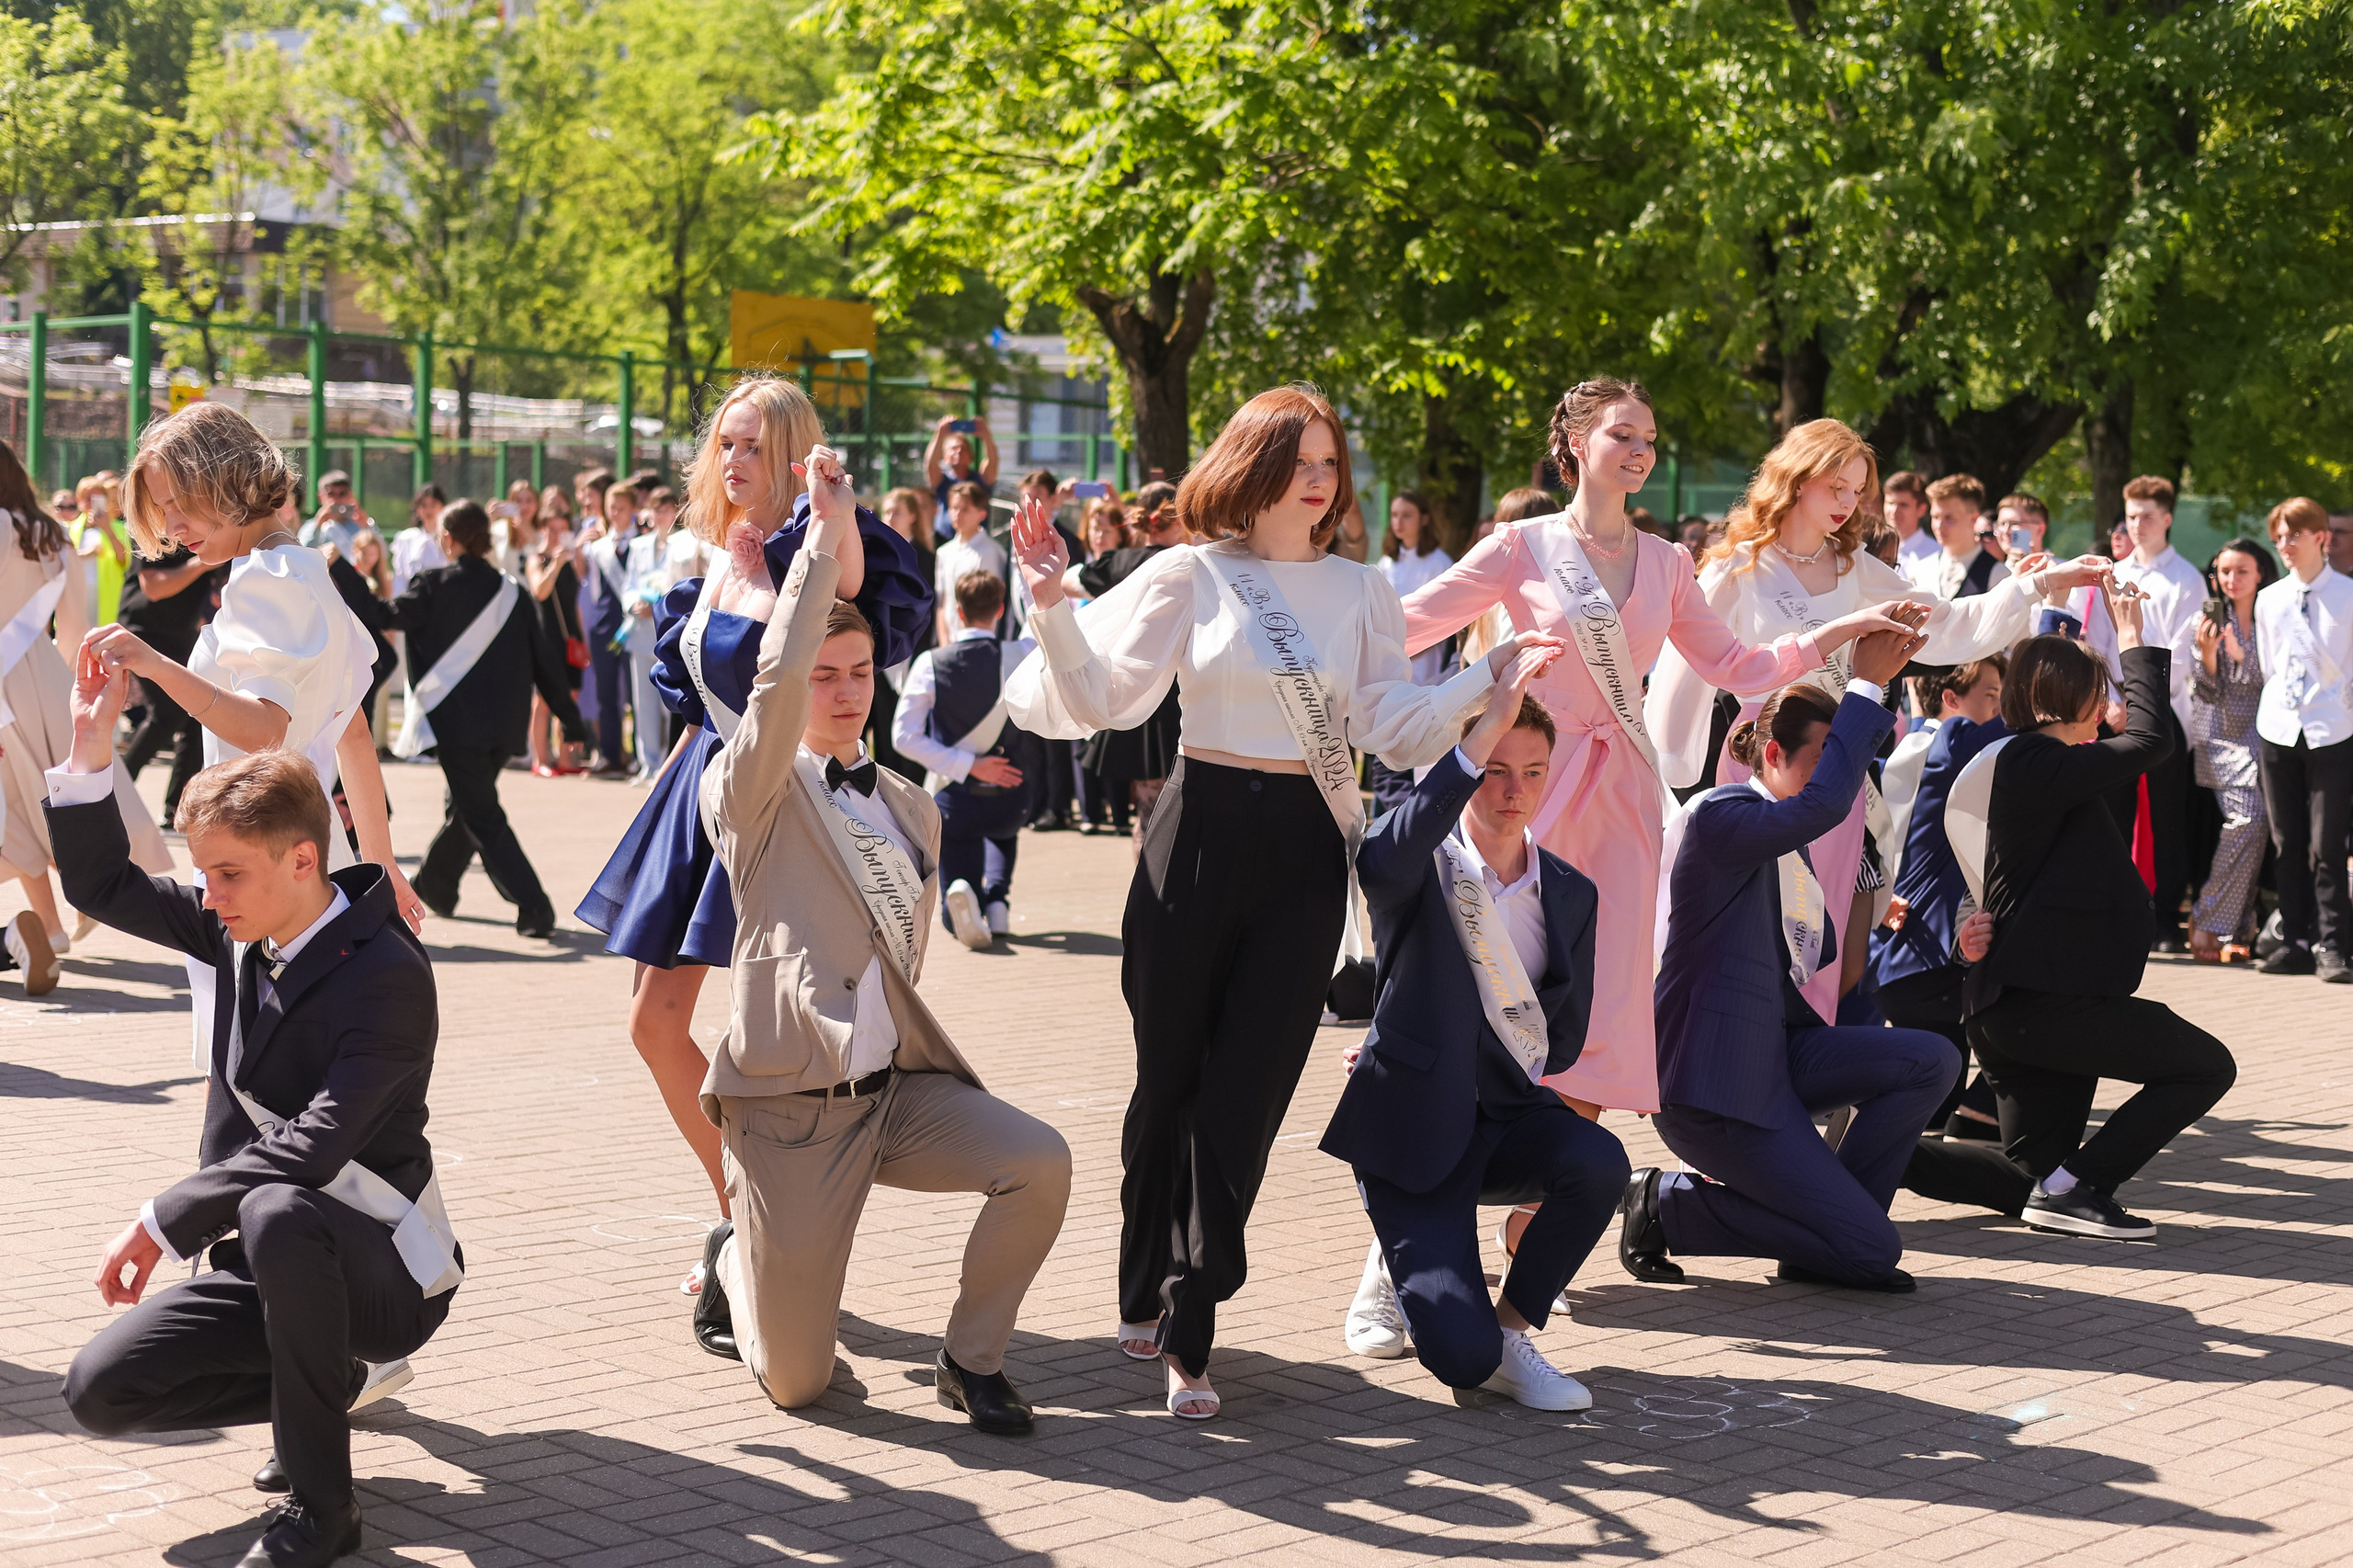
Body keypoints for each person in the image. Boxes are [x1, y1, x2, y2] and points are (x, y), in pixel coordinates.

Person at [1006, 382, 1557, 1419]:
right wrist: (1049, 604)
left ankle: (1192, 1317)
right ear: (1251, 466)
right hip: (1194, 835)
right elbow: (1103, 699)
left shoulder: (1363, 590)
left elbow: (1389, 725)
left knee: (1247, 1095)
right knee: (1167, 1086)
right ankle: (1142, 1275)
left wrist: (1482, 677)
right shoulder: (1191, 572)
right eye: (1299, 460)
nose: (1319, 478)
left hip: (1305, 848)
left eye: (1328, 460)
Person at [1397, 384, 1913, 1128]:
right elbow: (1406, 625)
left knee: (1607, 981)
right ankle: (1472, 1133)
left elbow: (1738, 666)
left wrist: (1845, 627)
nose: (1641, 451)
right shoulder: (1522, 547)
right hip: (1531, 782)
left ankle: (1559, 1160)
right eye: (1623, 436)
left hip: (1623, 792)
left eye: (1650, 439)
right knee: (1506, 954)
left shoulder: (1669, 562)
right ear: (1577, 443)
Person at [690, 447, 1069, 1432]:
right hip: (789, 1115)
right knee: (800, 1383)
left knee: (1040, 1161)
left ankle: (970, 1361)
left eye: (859, 673)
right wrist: (822, 548)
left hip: (894, 1096)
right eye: (823, 675)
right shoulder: (749, 789)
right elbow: (774, 687)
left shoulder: (912, 807)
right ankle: (735, 1261)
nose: (844, 690)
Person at [54, 726, 455, 1568]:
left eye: (228, 874)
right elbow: (99, 884)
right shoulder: (240, 929)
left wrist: (164, 1220)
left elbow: (316, 1146)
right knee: (99, 1392)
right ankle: (326, 1384)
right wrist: (88, 756)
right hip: (272, 1268)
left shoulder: (388, 973)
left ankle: (324, 1512)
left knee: (276, 1207)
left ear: (303, 860)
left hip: (384, 1274)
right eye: (203, 873)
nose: (209, 897)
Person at [574, 375, 929, 1278]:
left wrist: (832, 514)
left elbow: (853, 590)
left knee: (779, 1045)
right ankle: (745, 1214)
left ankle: (770, 1235)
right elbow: (697, 700)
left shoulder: (822, 540)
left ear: (793, 456)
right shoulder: (718, 549)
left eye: (754, 446)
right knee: (654, 1024)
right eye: (725, 443)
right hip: (700, 796)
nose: (733, 461)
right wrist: (658, 804)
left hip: (786, 807)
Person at [1644, 418, 2103, 1037]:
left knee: (1824, 934)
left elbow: (1947, 625)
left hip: (1839, 762)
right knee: (1754, 926)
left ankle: (1805, 1062)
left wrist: (2038, 584)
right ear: (1796, 478)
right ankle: (1738, 1053)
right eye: (1836, 485)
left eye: (1857, 490)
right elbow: (1684, 675)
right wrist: (1671, 776)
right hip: (1761, 764)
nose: (1848, 502)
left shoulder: (1855, 567)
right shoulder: (1737, 567)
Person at [1325, 653, 1632, 1410]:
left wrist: (1468, 1048)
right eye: (1495, 769)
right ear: (1466, 769)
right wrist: (1480, 729)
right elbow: (1377, 862)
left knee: (1599, 1162)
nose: (1514, 790)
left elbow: (1560, 1039)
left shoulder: (1570, 892)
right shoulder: (1421, 867)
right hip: (1411, 1131)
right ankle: (1399, 1259)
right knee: (1460, 1363)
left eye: (1532, 772)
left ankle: (1513, 1331)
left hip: (1502, 1122)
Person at [84, 405, 426, 1077]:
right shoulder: (302, 569)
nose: (172, 528)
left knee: (257, 1069)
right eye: (162, 510)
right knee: (297, 1061)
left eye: (177, 504)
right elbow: (353, 731)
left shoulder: (266, 577)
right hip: (301, 853)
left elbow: (266, 728)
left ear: (226, 480)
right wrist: (379, 863)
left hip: (259, 853)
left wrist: (155, 664)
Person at [1631, 621, 1962, 1294]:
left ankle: (1833, 1239)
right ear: (1773, 754)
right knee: (1873, 1250)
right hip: (1719, 1092)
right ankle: (1668, 1205)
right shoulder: (1722, 817)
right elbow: (1823, 805)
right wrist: (1865, 683)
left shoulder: (1782, 836)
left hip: (1776, 1060)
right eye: (1822, 757)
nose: (1834, 777)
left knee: (1932, 1060)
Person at [1904, 617, 2239, 1236]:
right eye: (2098, 691)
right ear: (2064, 695)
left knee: (2031, 1180)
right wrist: (2135, 640)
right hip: (2044, 1003)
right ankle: (2080, 1188)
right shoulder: (2034, 760)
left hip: (2020, 1004)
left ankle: (1873, 1151)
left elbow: (1988, 864)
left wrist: (1966, 925)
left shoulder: (2034, 764)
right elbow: (2151, 741)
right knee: (2205, 1066)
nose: (2107, 706)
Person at [0, 443, 170, 991]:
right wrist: (65, 678)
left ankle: (52, 922)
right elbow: (73, 624)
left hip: (3, 680)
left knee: (14, 802)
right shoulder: (51, 533)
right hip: (45, 673)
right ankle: (69, 907)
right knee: (54, 791)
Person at [388, 498, 586, 937]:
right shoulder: (512, 590)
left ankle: (535, 907)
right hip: (505, 726)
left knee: (481, 815)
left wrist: (341, 576)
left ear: (448, 539)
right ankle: (437, 886)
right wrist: (571, 720)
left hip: (457, 726)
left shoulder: (433, 585)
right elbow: (545, 662)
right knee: (466, 806)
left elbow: (387, 615)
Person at [1870, 658, 2008, 1143]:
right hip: (1930, 961)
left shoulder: (1913, 745)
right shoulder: (1955, 739)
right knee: (2037, 1031)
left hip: (1902, 955)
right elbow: (2030, 733)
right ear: (1951, 699)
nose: (2000, 707)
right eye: (1991, 695)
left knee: (1930, 1114)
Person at [892, 569, 1040, 949]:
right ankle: (998, 901)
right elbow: (1038, 619)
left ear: (958, 612)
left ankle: (961, 895)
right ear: (1000, 610)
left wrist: (968, 765)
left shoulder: (930, 662)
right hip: (1011, 795)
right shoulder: (1021, 653)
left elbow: (903, 737)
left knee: (958, 860)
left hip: (955, 801)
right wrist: (1029, 578)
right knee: (1004, 833)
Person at [2103, 476, 2208, 951]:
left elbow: (2183, 657)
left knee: (2167, 822)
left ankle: (2165, 920)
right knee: (2112, 820)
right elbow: (2098, 646)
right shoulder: (2112, 574)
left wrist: (2142, 703)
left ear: (2167, 518)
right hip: (2114, 712)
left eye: (2147, 516)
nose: (2137, 525)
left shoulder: (2186, 578)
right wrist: (2111, 703)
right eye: (2131, 516)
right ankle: (2115, 915)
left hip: (2165, 714)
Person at [2253, 498, 2353, 981]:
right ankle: (2293, 941)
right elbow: (2269, 664)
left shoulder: (2348, 594)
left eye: (2294, 534)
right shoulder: (2270, 598)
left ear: (2321, 537)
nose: (2285, 545)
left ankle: (2332, 946)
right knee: (2286, 841)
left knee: (2328, 843)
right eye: (2279, 536)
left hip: (2333, 729)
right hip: (2278, 727)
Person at [2188, 537, 2275, 963]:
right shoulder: (2203, 621)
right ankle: (2207, 921)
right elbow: (2205, 691)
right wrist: (2209, 656)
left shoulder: (2271, 616)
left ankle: (2238, 927)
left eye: (2242, 571)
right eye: (2224, 571)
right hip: (2222, 737)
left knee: (2263, 829)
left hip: (2270, 734)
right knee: (2249, 821)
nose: (2232, 579)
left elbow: (2276, 679)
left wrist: (2242, 655)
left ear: (2260, 574)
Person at [1370, 491, 1458, 812]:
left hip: (1425, 671)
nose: (1398, 522)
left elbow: (1447, 618)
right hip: (1389, 672)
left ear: (1424, 519)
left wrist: (1412, 644)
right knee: (1387, 754)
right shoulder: (1385, 564)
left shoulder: (1440, 563)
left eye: (1406, 515)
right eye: (1394, 515)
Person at [581, 476, 641, 778]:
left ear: (632, 509)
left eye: (621, 507)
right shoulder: (598, 548)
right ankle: (609, 754)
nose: (615, 513)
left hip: (634, 625)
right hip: (604, 625)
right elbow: (591, 584)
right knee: (606, 692)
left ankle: (639, 757)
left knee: (635, 693)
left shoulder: (643, 543)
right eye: (611, 507)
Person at [524, 496, 586, 775]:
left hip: (570, 637)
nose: (556, 535)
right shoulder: (536, 559)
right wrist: (556, 564)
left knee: (570, 695)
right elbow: (540, 591)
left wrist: (582, 639)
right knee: (544, 700)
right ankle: (541, 760)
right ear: (542, 530)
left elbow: (576, 603)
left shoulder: (572, 562)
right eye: (551, 529)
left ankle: (565, 758)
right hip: (545, 637)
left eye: (562, 530)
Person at [322, 528, 397, 745]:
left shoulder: (378, 580)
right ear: (355, 551)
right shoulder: (345, 577)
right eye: (365, 553)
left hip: (369, 653)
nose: (369, 559)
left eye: (373, 554)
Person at [1904, 474, 2009, 600]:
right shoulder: (1921, 570)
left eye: (1949, 518)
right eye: (1935, 517)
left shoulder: (1998, 575)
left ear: (1973, 518)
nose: (1939, 526)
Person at [933, 481, 1008, 644]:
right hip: (950, 644)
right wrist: (945, 643)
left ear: (982, 514)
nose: (957, 514)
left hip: (978, 644)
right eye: (954, 508)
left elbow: (990, 606)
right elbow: (942, 602)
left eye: (965, 509)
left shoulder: (990, 552)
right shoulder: (944, 552)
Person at [924, 415, 998, 537]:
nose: (958, 451)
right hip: (944, 539)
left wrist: (986, 436)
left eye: (963, 448)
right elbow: (930, 464)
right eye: (953, 448)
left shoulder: (980, 479)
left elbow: (993, 462)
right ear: (945, 457)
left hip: (975, 540)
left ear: (971, 456)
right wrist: (940, 435)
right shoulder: (941, 480)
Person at [298, 471, 372, 556]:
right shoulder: (311, 527)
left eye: (342, 494)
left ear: (350, 495)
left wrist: (366, 528)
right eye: (331, 494)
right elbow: (302, 555)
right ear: (320, 497)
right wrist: (318, 526)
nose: (337, 500)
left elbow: (380, 554)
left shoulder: (360, 524)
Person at [1882, 470, 1938, 570]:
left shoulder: (1936, 554)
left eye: (1903, 505)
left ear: (1921, 510)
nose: (1894, 511)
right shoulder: (1871, 547)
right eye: (1890, 503)